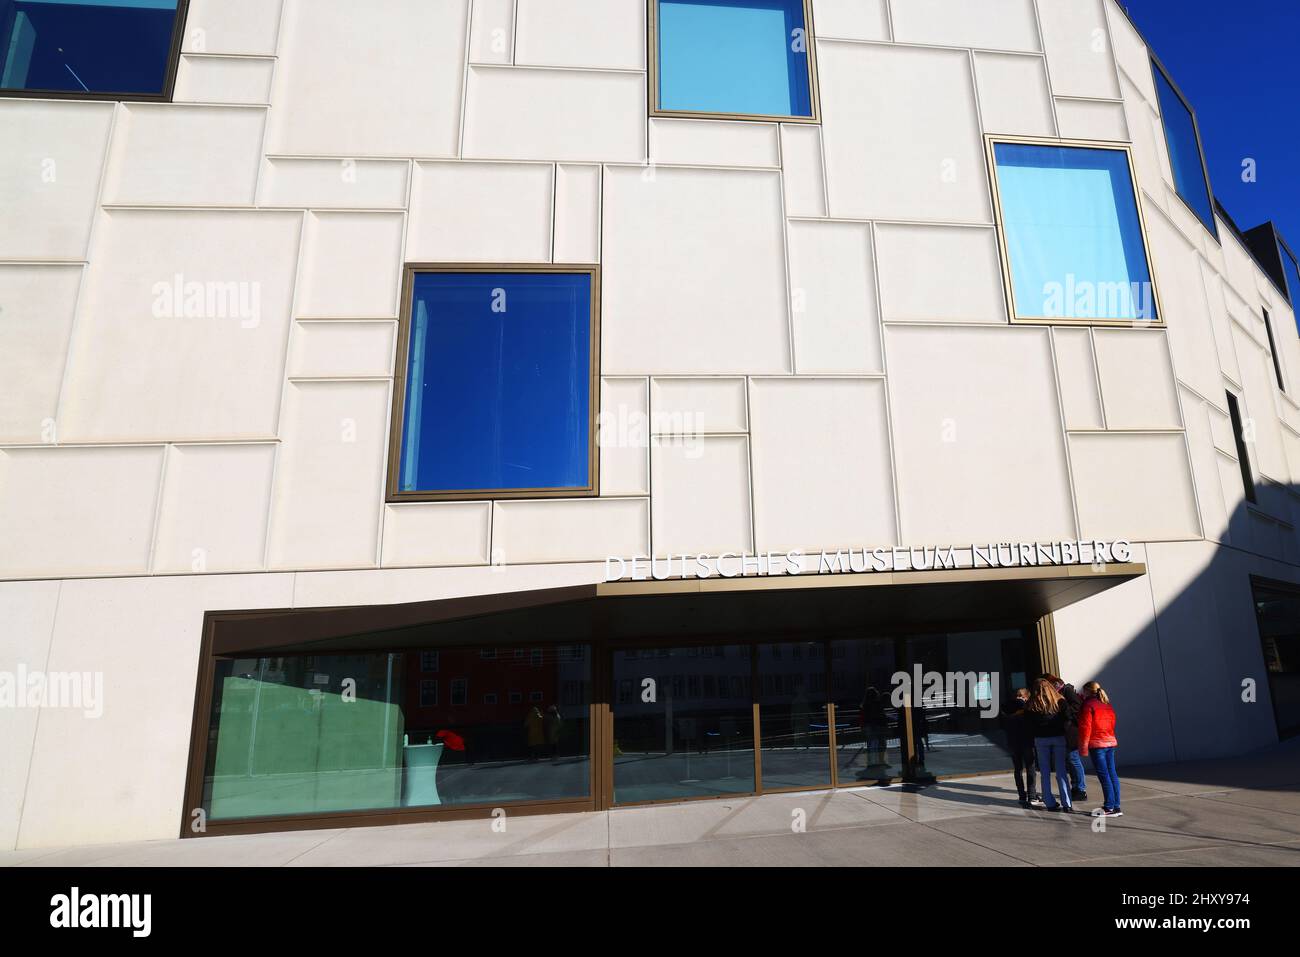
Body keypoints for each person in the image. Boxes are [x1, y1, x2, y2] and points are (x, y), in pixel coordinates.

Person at [1025, 678, 1072, 812]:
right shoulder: (1060, 701)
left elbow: (1027, 724)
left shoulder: (1031, 704)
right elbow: (1068, 718)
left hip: (1040, 739)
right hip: (1058, 737)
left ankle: (1049, 802)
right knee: (1061, 771)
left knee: (1044, 772)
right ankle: (1067, 803)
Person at [1078, 681, 1122, 818]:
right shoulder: (1106, 704)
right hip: (1109, 742)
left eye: (1083, 691)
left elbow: (1086, 727)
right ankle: (1116, 806)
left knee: (1104, 775)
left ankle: (1109, 806)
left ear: (1088, 691)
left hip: (1097, 744)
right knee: (1112, 773)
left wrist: (1083, 747)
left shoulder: (1088, 705)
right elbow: (1113, 722)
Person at [1042, 673, 1088, 802]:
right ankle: (1076, 787)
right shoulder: (1058, 692)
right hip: (1065, 731)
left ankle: (1081, 789)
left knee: (1073, 759)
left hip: (1071, 731)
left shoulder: (1066, 690)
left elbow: (1077, 707)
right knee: (1069, 759)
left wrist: (1063, 713)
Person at [1002, 688, 1041, 808]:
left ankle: (1021, 795)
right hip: (1026, 741)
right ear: (1025, 697)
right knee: (1030, 768)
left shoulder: (1007, 706)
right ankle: (1032, 795)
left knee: (1017, 769)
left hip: (1013, 742)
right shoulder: (1026, 707)